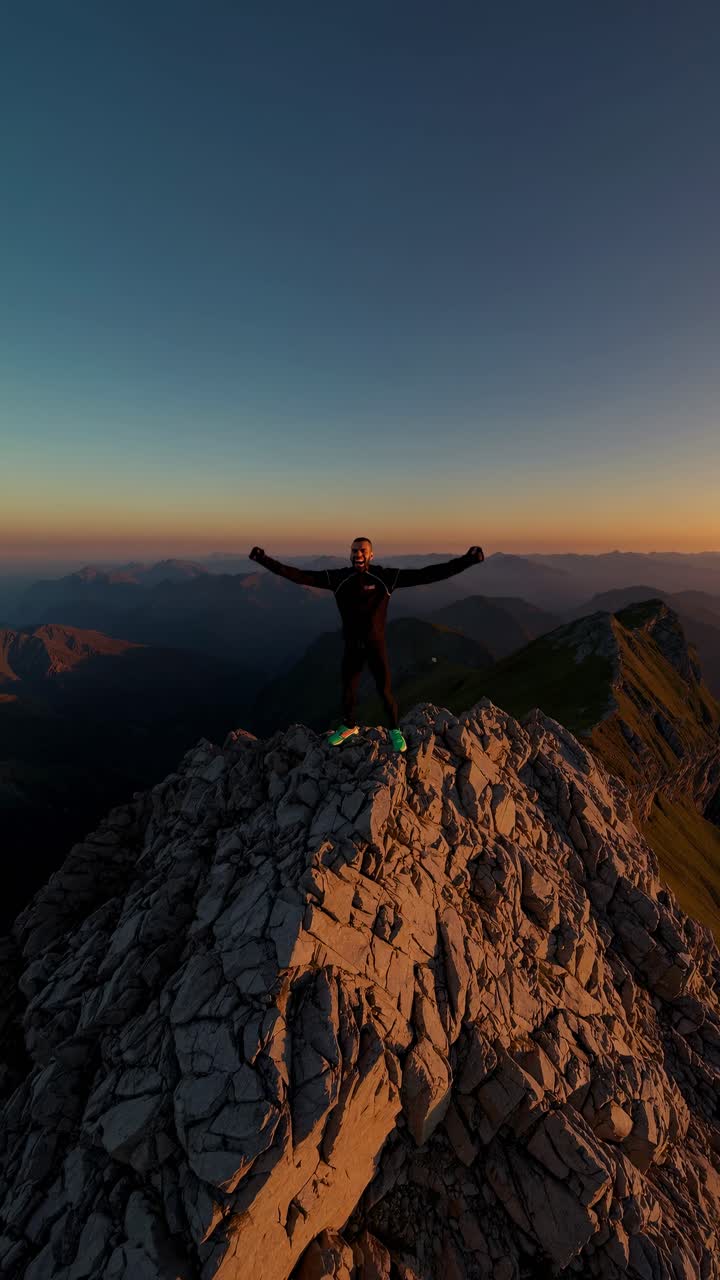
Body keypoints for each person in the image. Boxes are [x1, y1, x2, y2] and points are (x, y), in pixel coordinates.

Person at [249, 538, 485, 751]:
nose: (357, 554)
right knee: (349, 689)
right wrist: (263, 559)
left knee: (384, 690)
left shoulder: (384, 577)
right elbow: (297, 575)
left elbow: (428, 574)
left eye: (362, 550)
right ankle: (350, 726)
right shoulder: (339, 578)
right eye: (354, 550)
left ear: (371, 555)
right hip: (352, 645)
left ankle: (394, 730)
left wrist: (468, 560)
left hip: (375, 645)